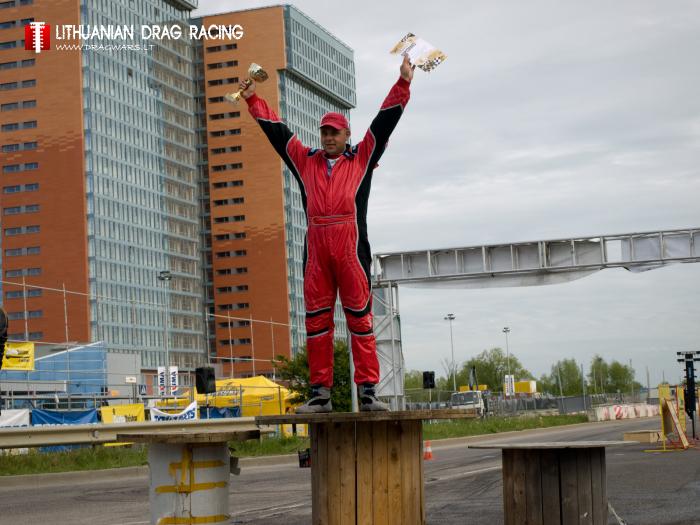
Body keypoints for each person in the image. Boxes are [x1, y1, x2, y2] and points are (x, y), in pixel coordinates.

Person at [239, 55, 414, 412]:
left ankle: (368, 392)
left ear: (347, 135)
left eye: (335, 132)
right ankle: (320, 394)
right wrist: (253, 99)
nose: (329, 137)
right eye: (325, 132)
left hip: (351, 250)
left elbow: (384, 123)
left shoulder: (362, 158)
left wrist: (403, 83)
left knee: (360, 320)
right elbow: (277, 132)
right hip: (317, 253)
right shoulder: (305, 160)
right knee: (317, 323)